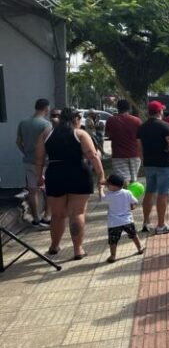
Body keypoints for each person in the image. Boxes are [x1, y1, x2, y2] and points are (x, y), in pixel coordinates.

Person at [35, 107, 105, 259]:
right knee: (77, 213)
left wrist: (39, 177)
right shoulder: (80, 134)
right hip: (78, 172)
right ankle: (78, 249)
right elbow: (93, 156)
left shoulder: (46, 134)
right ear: (76, 119)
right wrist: (101, 175)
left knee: (57, 215)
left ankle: (54, 246)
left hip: (55, 173)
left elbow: (39, 158)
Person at [137, 101, 169, 234]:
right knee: (163, 194)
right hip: (164, 164)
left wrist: (144, 161)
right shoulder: (164, 126)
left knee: (149, 193)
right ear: (160, 111)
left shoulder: (142, 127)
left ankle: (146, 222)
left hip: (149, 164)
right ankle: (161, 225)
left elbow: (139, 148)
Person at [17, 98, 52, 227]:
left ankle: (36, 218)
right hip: (44, 162)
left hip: (28, 161)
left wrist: (25, 152)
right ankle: (47, 217)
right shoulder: (46, 125)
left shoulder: (23, 122)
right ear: (46, 108)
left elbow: (18, 142)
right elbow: (48, 144)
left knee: (32, 190)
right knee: (49, 190)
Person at [103, 174, 144, 263]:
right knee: (133, 235)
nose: (106, 186)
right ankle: (140, 248)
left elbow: (102, 199)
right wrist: (133, 206)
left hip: (114, 223)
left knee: (113, 240)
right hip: (127, 220)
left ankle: (113, 256)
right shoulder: (127, 192)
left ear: (113, 186)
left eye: (107, 184)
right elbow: (135, 202)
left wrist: (100, 189)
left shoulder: (109, 195)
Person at [105, 99, 142, 182]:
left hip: (118, 154)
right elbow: (141, 138)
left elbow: (108, 135)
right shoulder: (137, 120)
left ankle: (125, 194)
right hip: (134, 154)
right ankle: (131, 194)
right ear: (129, 109)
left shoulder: (111, 120)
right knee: (134, 180)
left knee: (122, 180)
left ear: (118, 108)